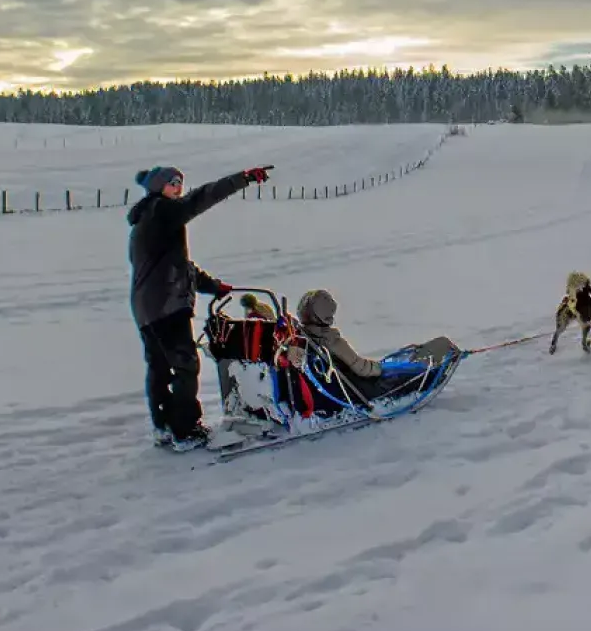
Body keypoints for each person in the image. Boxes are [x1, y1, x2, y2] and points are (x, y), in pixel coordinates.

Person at [128, 163, 271, 448]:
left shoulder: (145, 220)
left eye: (180, 181)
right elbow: (200, 198)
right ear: (157, 186)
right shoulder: (162, 210)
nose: (178, 187)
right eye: (172, 182)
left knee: (159, 367)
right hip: (167, 306)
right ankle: (185, 431)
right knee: (185, 366)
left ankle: (164, 426)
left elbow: (179, 267)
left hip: (147, 308)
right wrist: (241, 179)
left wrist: (214, 286)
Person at [295, 288, 460, 403]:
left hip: (341, 386)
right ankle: (434, 373)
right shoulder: (331, 341)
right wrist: (380, 369)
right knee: (404, 372)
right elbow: (362, 369)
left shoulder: (304, 338)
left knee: (395, 366)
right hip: (361, 389)